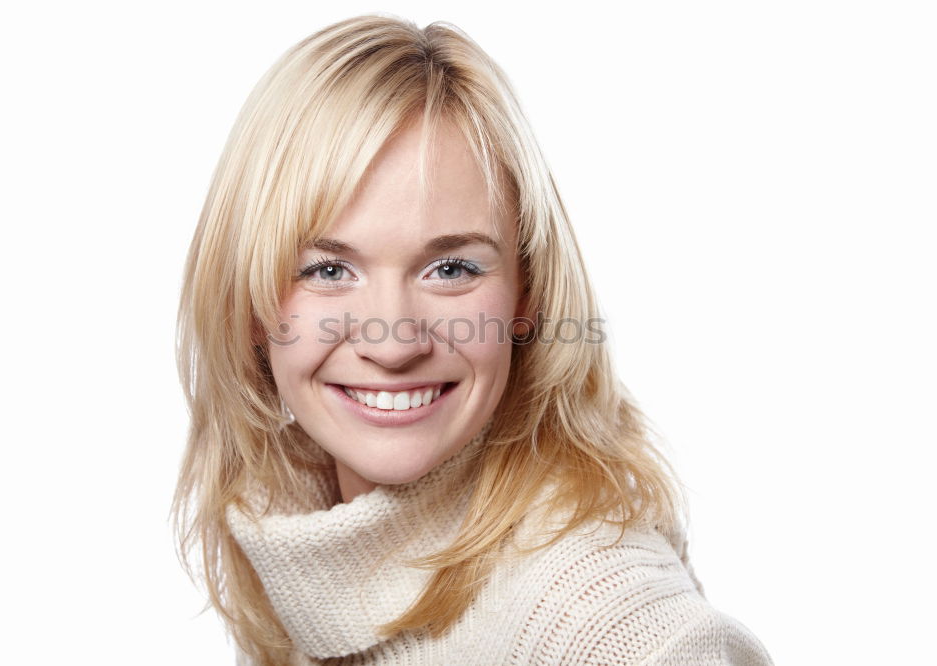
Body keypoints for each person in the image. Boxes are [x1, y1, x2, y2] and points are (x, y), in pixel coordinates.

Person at [172, 14, 774, 666]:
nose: (395, 340)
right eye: (328, 270)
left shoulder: (604, 617)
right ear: (252, 310)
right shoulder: (300, 553)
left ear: (527, 297)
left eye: (452, 268)